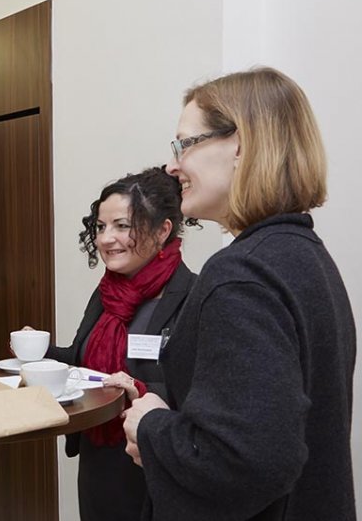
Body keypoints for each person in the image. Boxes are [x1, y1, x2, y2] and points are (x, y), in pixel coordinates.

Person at [123, 67, 356, 521]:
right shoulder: (305, 255)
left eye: (184, 144)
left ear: (242, 146)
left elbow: (242, 461)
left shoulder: (241, 274)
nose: (172, 165)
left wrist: (150, 426)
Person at [37, 166, 197, 520]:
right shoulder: (107, 293)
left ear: (162, 230)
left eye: (122, 226)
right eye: (100, 226)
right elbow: (84, 363)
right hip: (99, 457)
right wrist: (40, 353)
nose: (106, 239)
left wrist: (139, 388)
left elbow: (200, 392)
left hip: (154, 462)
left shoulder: (193, 296)